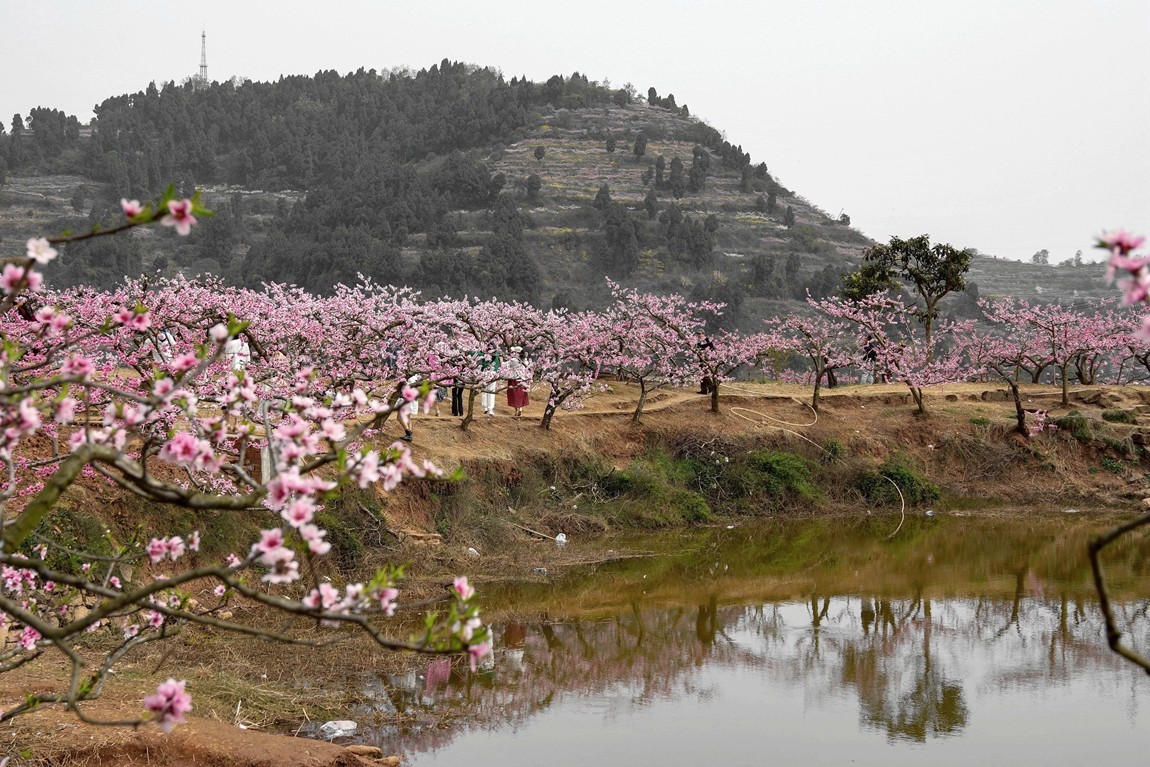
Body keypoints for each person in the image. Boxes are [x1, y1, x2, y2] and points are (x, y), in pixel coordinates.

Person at [505, 346, 530, 418]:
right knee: (521, 394)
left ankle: (517, 410)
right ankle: (520, 409)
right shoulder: (525, 360)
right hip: (523, 380)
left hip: (515, 379)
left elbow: (506, 365)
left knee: (515, 395)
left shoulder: (514, 360)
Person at [480, 349, 501, 417]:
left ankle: (485, 407)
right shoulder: (496, 356)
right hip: (493, 373)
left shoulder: (484, 355)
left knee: (484, 390)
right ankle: (490, 409)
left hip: (485, 373)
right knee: (491, 391)